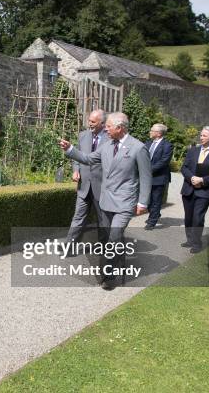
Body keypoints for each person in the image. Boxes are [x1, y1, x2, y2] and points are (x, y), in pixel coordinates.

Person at [59, 112, 152, 290]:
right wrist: (70, 149)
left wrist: (143, 203)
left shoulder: (138, 148)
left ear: (120, 128)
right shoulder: (107, 145)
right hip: (106, 201)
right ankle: (115, 262)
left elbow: (146, 177)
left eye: (108, 126)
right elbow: (87, 159)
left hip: (125, 202)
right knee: (111, 237)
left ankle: (109, 276)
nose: (106, 130)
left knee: (114, 237)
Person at [180, 126, 209, 253]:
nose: (201, 137)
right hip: (188, 188)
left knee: (197, 218)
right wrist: (192, 178)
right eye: (201, 135)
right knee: (188, 217)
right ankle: (189, 240)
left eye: (204, 136)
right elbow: (184, 168)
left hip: (204, 192)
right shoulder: (192, 150)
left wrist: (202, 180)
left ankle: (196, 243)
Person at [66, 109, 108, 244]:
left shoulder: (110, 139)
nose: (89, 124)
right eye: (89, 120)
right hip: (84, 185)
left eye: (93, 122)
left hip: (101, 187)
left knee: (103, 220)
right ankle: (69, 246)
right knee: (78, 216)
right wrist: (76, 170)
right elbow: (77, 157)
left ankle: (103, 247)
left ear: (102, 123)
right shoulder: (82, 135)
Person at [144, 123, 173, 230]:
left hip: (159, 177)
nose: (150, 132)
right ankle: (155, 214)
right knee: (148, 200)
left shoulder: (167, 145)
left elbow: (164, 162)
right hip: (146, 177)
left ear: (159, 133)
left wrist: (148, 170)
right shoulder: (148, 143)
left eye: (152, 130)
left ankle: (152, 221)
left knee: (156, 200)